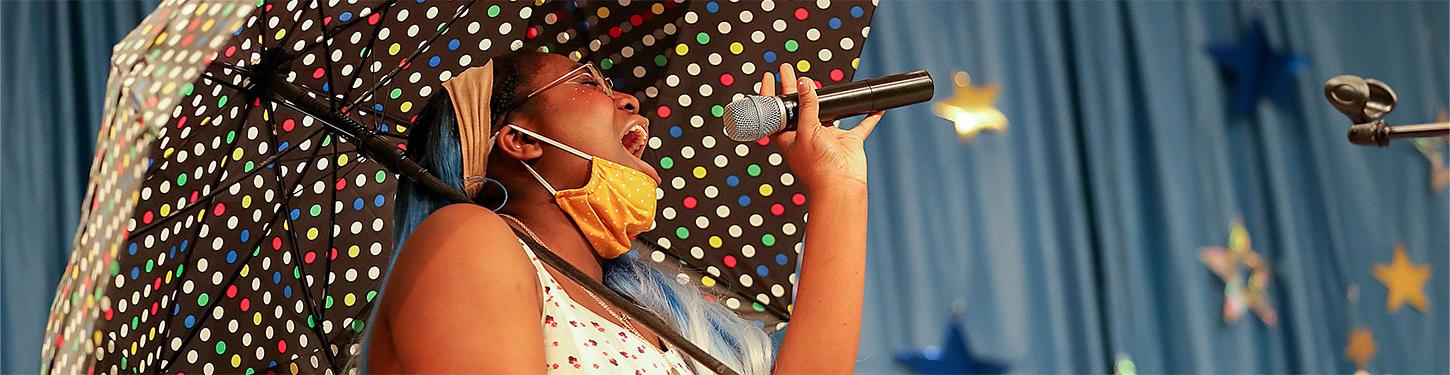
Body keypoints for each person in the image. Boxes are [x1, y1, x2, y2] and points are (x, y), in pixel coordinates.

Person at [366, 50, 884, 374]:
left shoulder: (656, 321)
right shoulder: (466, 239)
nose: (630, 102)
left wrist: (839, 187)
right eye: (588, 83)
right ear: (520, 140)